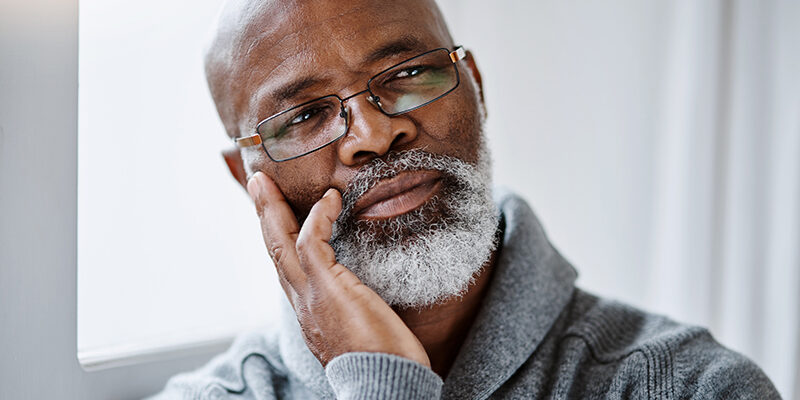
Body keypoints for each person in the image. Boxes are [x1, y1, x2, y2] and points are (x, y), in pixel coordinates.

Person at [150, 0, 779, 398]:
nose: (374, 134)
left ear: (474, 90)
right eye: (306, 116)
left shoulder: (694, 387)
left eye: (407, 75)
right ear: (246, 177)